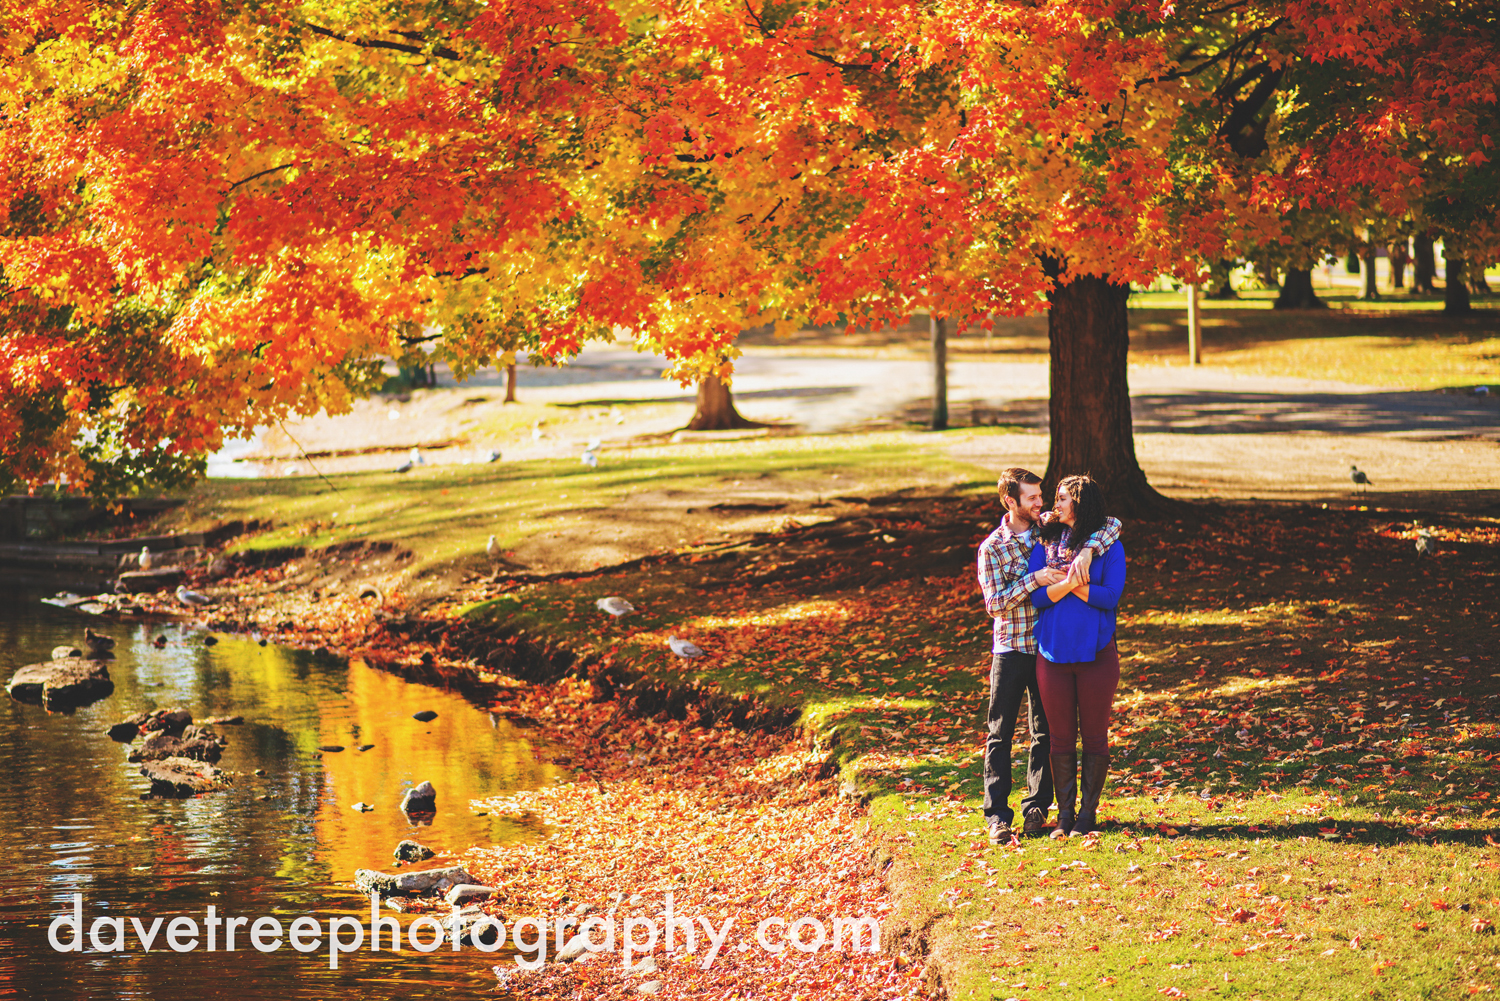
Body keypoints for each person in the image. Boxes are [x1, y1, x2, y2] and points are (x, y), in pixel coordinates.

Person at [977, 468, 1121, 844]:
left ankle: (1037, 807)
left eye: (1045, 497)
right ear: (1011, 501)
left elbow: (1110, 524)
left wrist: (1089, 549)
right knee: (1001, 734)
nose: (1042, 504)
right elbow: (994, 604)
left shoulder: (1047, 527)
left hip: (1045, 647)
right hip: (1012, 646)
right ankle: (997, 816)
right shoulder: (993, 547)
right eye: (1033, 498)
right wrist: (1036, 579)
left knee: (1046, 733)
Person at [1028, 475, 1126, 838]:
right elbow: (1037, 598)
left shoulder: (1107, 547)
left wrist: (1065, 585)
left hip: (1097, 653)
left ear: (1081, 504)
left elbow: (1110, 596)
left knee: (1096, 737)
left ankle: (1087, 816)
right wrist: (1073, 582)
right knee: (1060, 738)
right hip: (1052, 654)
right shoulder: (1046, 541)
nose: (1057, 504)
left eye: (1064, 498)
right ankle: (1065, 816)